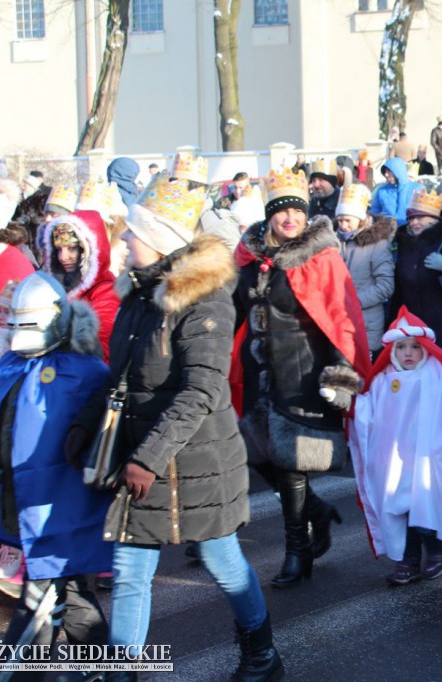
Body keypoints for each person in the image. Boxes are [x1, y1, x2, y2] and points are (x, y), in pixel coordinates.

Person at [66, 173, 284, 680]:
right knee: (129, 571)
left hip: (196, 461)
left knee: (222, 561)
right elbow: (117, 375)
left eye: (132, 233)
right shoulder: (140, 296)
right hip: (146, 456)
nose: (123, 239)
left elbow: (203, 389)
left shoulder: (204, 300)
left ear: (160, 239)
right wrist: (84, 423)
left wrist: (146, 457)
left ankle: (261, 653)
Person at [234, 168, 371, 590]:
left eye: (296, 209)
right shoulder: (250, 257)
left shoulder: (320, 256)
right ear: (269, 216)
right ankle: (317, 512)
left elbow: (341, 313)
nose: (289, 217)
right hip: (258, 371)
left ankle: (297, 552)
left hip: (302, 369)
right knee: (258, 458)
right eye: (281, 211)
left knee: (292, 464)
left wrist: (342, 373)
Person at [0, 273, 112, 661]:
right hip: (11, 500)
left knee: (53, 597)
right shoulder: (10, 365)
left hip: (59, 506)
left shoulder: (83, 372)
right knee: (68, 594)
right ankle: (106, 669)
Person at [349, 309, 442, 585]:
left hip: (427, 455)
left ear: (426, 348)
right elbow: (367, 413)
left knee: (420, 504)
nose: (409, 352)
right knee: (396, 507)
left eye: (415, 346)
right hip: (392, 459)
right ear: (392, 350)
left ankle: (438, 546)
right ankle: (408, 559)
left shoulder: (437, 375)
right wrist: (347, 401)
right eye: (401, 347)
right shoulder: (383, 380)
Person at [390, 188, 442, 365]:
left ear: (434, 219)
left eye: (420, 217)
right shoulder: (404, 242)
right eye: (411, 218)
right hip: (414, 328)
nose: (414, 223)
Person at [36, 210, 120, 358]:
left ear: (89, 249)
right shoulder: (55, 284)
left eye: (72, 248)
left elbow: (101, 350)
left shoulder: (106, 290)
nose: (63, 257)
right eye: (59, 249)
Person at [333, 183, 396, 356]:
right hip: (337, 319)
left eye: (348, 221)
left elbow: (385, 286)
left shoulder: (377, 244)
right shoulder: (333, 242)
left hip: (366, 323)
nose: (343, 226)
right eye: (340, 220)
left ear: (360, 219)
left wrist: (354, 301)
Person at [369, 156, 421, 227]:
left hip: (411, 229)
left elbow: (423, 214)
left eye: (389, 172)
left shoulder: (417, 188)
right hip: (388, 231)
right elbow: (375, 210)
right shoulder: (382, 190)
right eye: (385, 172)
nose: (386, 175)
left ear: (398, 171)